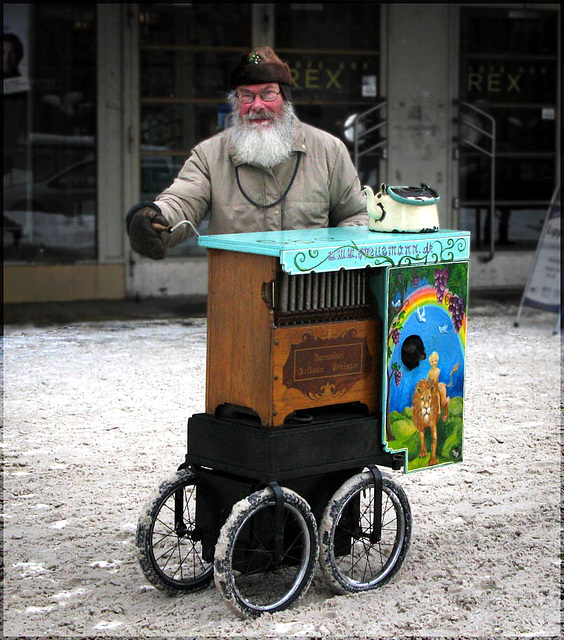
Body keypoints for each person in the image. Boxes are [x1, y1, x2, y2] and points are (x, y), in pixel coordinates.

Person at [126, 47, 368, 260]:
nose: (257, 105)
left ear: (285, 98)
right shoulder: (209, 156)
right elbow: (182, 202)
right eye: (247, 96)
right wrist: (156, 218)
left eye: (267, 94)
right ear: (236, 102)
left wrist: (337, 259)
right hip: (238, 296)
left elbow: (356, 214)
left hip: (311, 296)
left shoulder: (329, 150)